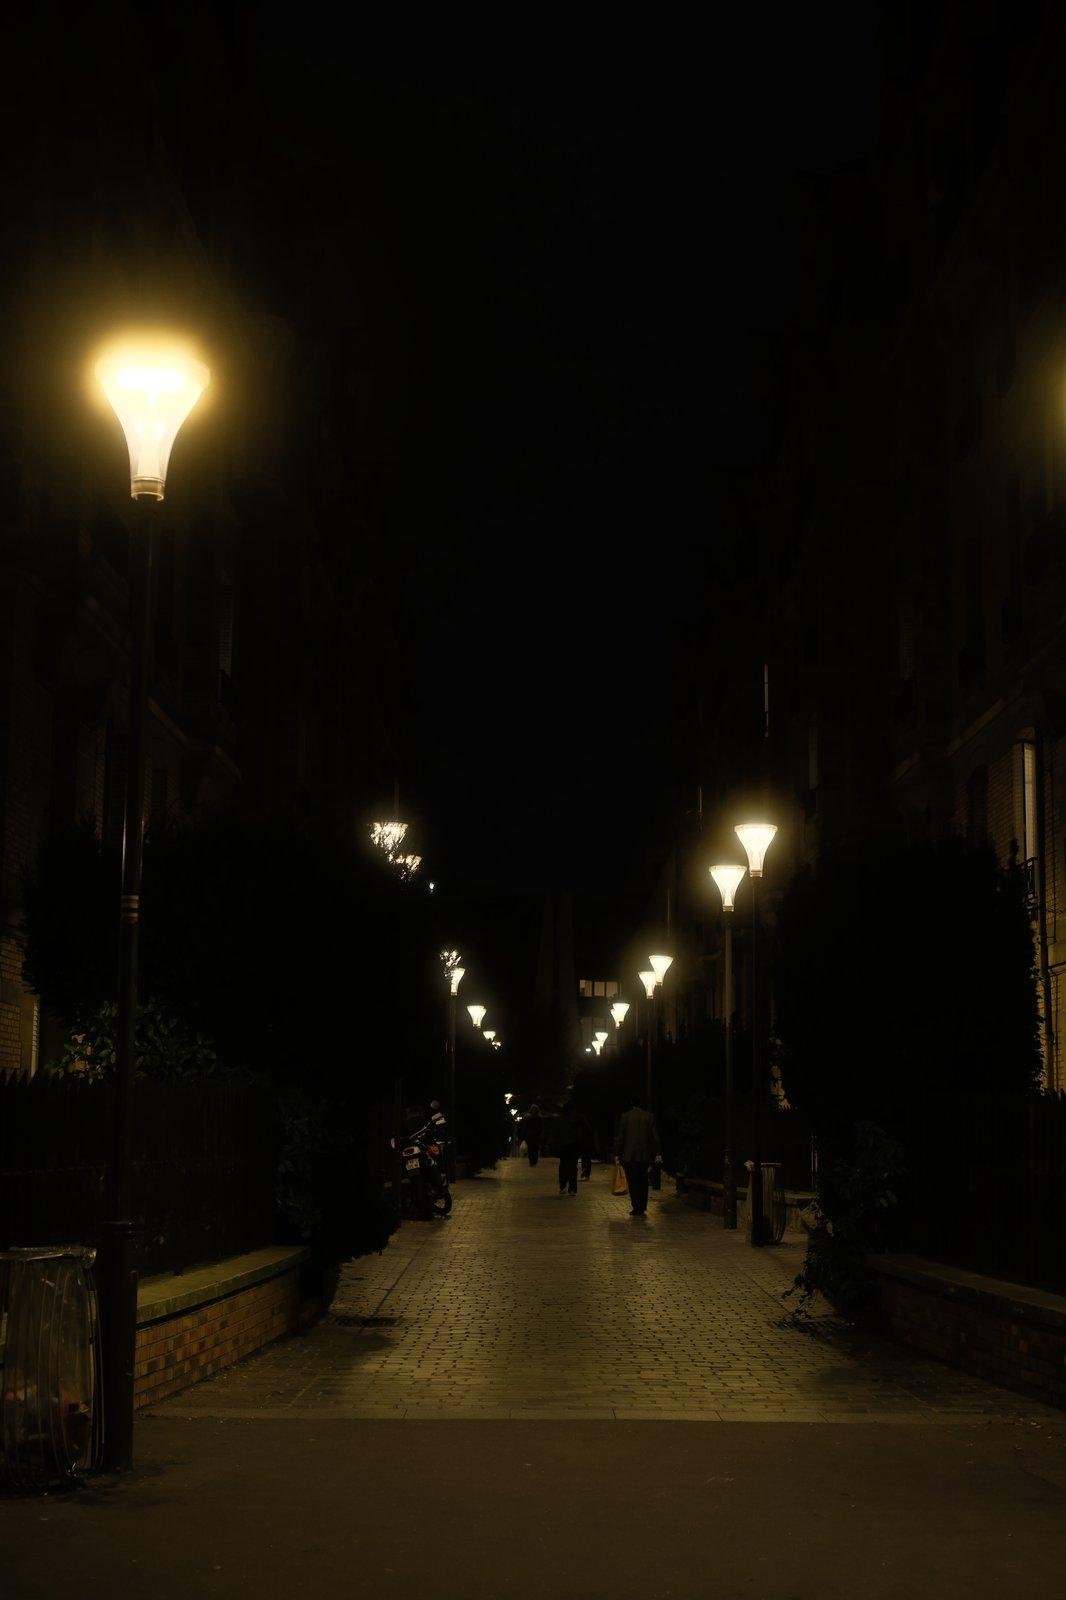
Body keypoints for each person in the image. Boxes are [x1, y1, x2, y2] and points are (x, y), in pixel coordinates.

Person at [614, 1094, 662, 1217]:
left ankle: (636, 1206)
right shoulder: (649, 1117)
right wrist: (657, 1152)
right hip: (644, 1154)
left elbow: (620, 1136)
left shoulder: (625, 1117)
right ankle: (642, 1205)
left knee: (632, 1180)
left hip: (629, 1154)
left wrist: (616, 1152)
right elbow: (654, 1137)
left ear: (632, 1103)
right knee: (643, 1180)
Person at [556, 1100, 592, 1194]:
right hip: (575, 1145)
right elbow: (588, 1130)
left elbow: (556, 1132)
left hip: (563, 1145)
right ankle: (572, 1188)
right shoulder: (579, 1118)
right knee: (573, 1166)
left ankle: (562, 1185)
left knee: (563, 1165)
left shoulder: (561, 1119)